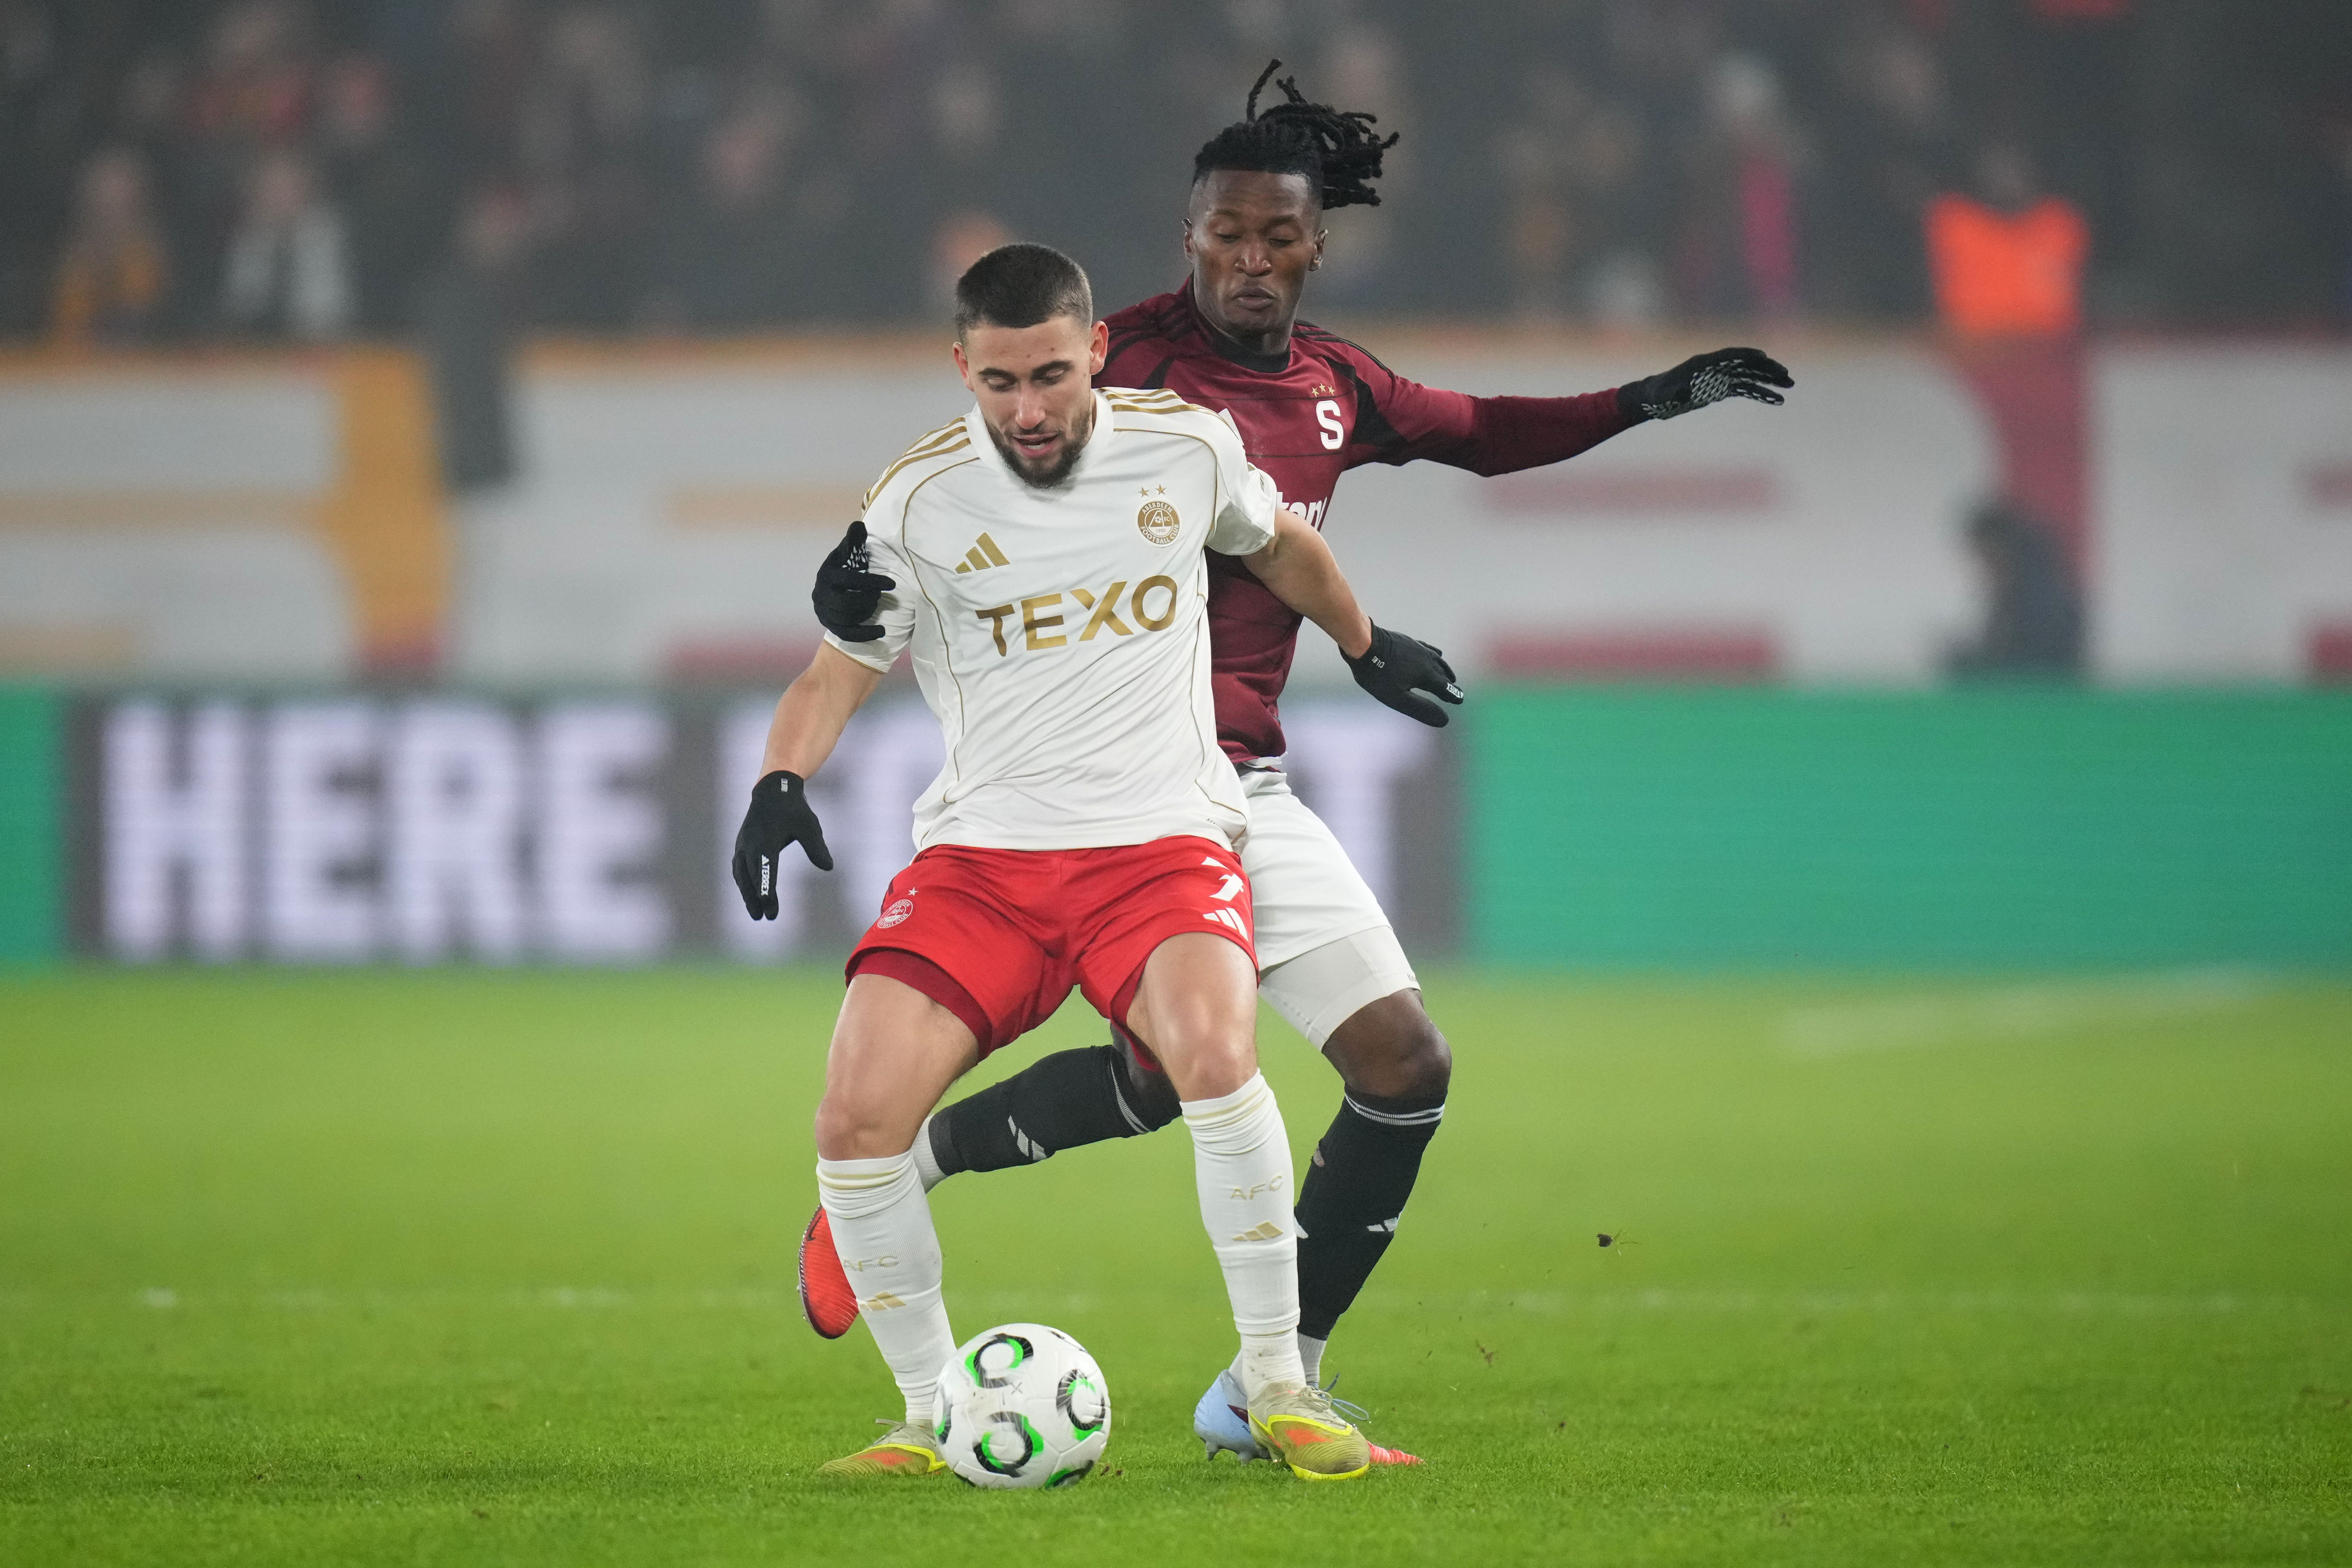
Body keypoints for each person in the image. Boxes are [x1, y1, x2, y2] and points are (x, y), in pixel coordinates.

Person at [800, 63, 1794, 1466]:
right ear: (1186, 234)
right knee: (1174, 1074)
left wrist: (1650, 396)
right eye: (1225, 234)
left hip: (1233, 789)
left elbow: (1481, 434)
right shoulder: (1110, 372)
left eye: (1278, 237)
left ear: (1317, 244)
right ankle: (911, 1168)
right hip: (1085, 797)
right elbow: (958, 476)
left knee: (1396, 1064)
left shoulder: (1336, 386)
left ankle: (1274, 1383)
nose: (1250, 260)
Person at [733, 242, 1432, 1482]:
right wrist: (781, 779)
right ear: (962, 368)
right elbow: (832, 668)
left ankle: (1279, 1385)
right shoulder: (916, 502)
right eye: (999, 383)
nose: (1029, 410)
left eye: (1051, 376)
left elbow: (1285, 555)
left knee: (1214, 1057)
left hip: (1159, 848)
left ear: (1097, 350)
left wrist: (1365, 644)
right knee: (853, 1115)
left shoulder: (1190, 447)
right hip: (983, 865)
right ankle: (927, 1416)